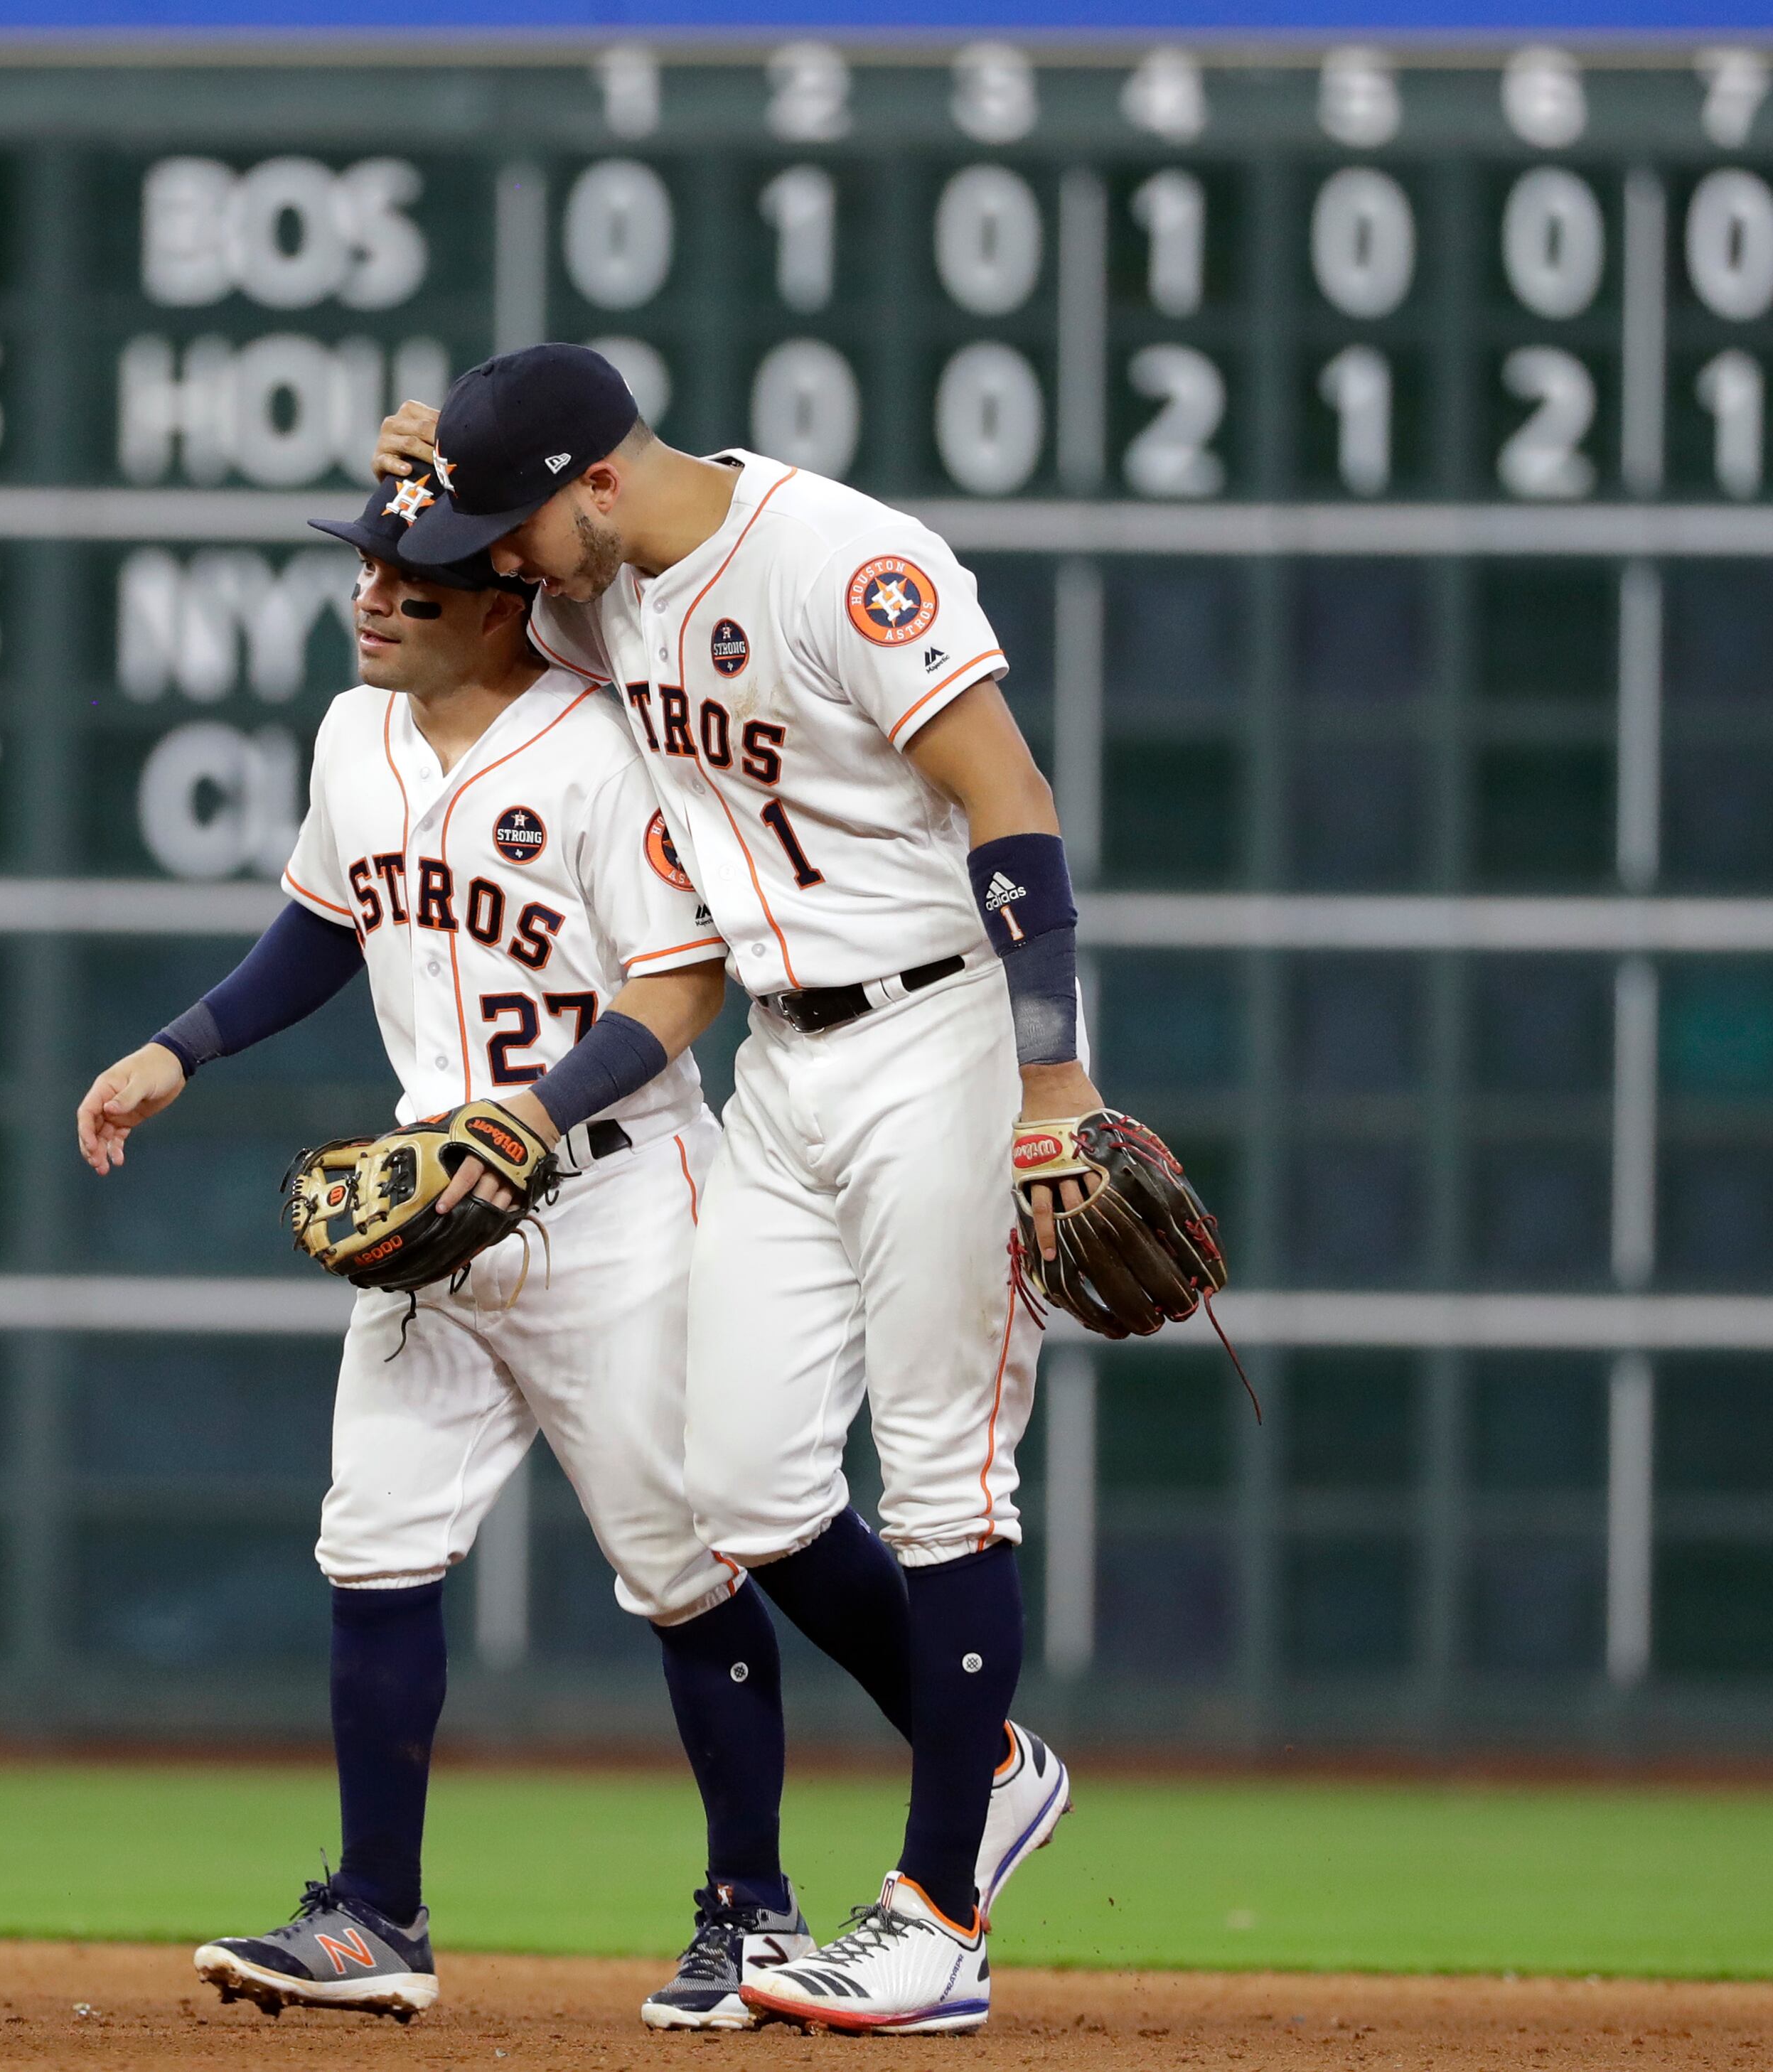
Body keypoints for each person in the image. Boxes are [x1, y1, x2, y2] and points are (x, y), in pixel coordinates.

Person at [373, 343, 1093, 2034]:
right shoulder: (598, 582)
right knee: (745, 1486)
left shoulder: (843, 560)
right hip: (786, 1062)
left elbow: (1015, 806)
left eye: (520, 520)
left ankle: (938, 1916)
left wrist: (1053, 1077)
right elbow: (455, 598)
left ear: (601, 481)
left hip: (943, 1036)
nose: (506, 559)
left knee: (940, 1477)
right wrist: (421, 465)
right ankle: (988, 1760)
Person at [74, 468, 793, 2027]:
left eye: (411, 577)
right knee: (376, 1542)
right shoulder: (355, 738)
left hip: (615, 1196)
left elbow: (679, 991)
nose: (373, 597)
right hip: (436, 1206)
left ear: (497, 598)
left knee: (682, 1566)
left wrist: (535, 1116)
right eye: (369, 570)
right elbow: (326, 924)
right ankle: (375, 1919)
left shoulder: (604, 752)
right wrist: (179, 1050)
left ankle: (757, 1914)